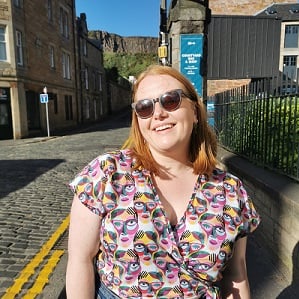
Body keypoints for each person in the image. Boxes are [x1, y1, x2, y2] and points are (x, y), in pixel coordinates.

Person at [66, 64, 260, 299]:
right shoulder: (106, 174)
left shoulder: (230, 190)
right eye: (144, 107)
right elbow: (80, 261)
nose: (158, 113)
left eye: (170, 100)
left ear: (195, 112)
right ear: (138, 120)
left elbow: (236, 275)